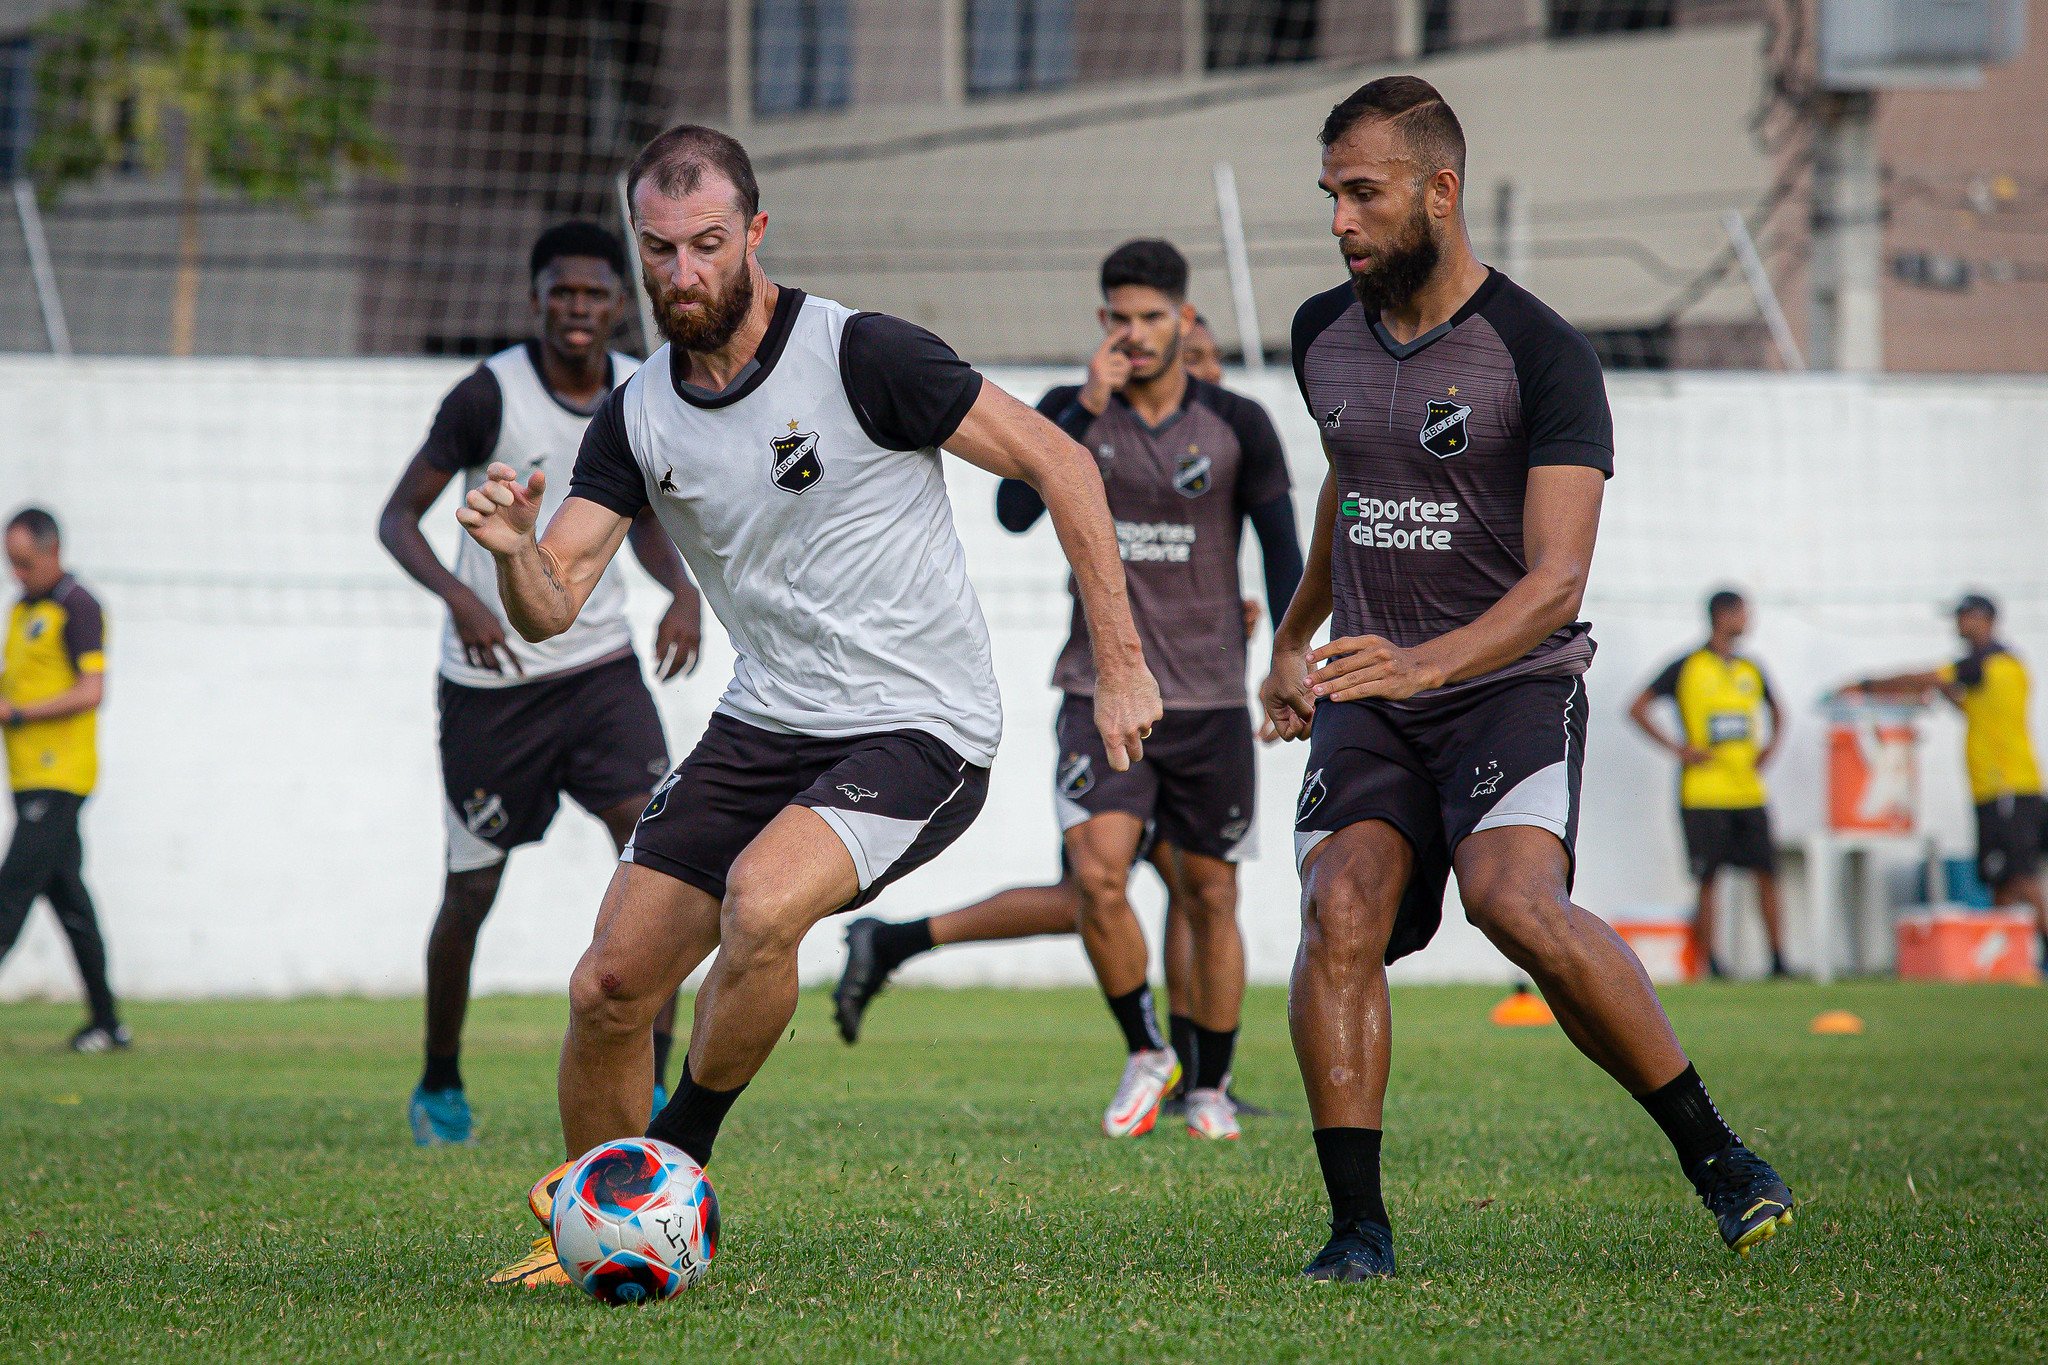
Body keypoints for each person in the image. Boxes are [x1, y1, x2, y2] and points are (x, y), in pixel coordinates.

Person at [471, 125, 1158, 1286]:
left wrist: (1122, 662)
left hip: (919, 723)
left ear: (753, 233)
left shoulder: (860, 356)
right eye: (660, 251)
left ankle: (671, 1169)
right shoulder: (638, 413)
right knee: (607, 987)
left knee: (761, 902)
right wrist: (507, 553)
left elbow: (1061, 462)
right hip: (764, 722)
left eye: (704, 244)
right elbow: (553, 604)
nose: (681, 274)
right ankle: (592, 1235)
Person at [1262, 76, 1794, 1281]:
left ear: (1437, 193)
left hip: (1508, 682)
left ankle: (1716, 1158)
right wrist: (1294, 641)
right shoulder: (1317, 334)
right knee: (1335, 906)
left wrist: (1420, 664)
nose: (1339, 220)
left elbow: (1555, 583)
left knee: (1516, 906)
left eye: (1363, 193)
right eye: (1328, 196)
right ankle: (1357, 1231)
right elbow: (1353, 487)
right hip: (1372, 689)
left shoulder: (1542, 354)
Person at [832, 242, 1302, 1140]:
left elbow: (1282, 549)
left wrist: (1286, 655)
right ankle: (1145, 1048)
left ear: (1185, 321)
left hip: (1207, 699)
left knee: (1209, 895)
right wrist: (1084, 405)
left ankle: (1210, 1085)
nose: (1133, 334)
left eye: (1150, 318)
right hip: (1098, 691)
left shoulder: (1239, 422)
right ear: (1102, 323)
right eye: (1118, 318)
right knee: (1095, 875)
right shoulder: (1067, 413)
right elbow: (1012, 514)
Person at [376, 221, 703, 1147]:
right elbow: (398, 519)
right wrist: (462, 601)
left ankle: (646, 1096)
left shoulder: (641, 388)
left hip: (600, 673)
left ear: (616, 302)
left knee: (662, 866)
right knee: (471, 889)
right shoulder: (488, 395)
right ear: (536, 301)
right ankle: (440, 1077)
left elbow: (633, 517)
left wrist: (682, 591)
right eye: (562, 293)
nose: (579, 309)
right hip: (494, 685)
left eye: (596, 294)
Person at [1846, 593, 2048, 967]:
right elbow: (1966, 703)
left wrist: (1870, 685)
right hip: (1992, 788)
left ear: (1985, 619)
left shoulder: (1989, 662)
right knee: (1998, 881)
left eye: (1963, 617)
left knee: (2022, 877)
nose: (1958, 625)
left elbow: (1925, 675)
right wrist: (1941, 695)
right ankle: (2004, 961)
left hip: (2010, 787)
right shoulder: (1995, 668)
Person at [0, 508, 125, 1052]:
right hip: (28, 779)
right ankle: (107, 1025)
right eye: (11, 564)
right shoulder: (22, 610)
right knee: (71, 903)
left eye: (25, 563)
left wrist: (20, 715)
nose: (17, 574)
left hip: (61, 779)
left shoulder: (79, 606)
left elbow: (91, 690)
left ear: (53, 551)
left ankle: (107, 1023)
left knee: (10, 892)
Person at [1628, 589, 1789, 978]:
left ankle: (1779, 962)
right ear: (1722, 614)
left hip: (1748, 791)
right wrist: (1678, 749)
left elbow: (1778, 712)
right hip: (1702, 793)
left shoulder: (1752, 668)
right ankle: (1711, 964)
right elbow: (1637, 708)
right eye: (1742, 612)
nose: (1747, 620)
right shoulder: (1688, 665)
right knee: (1708, 879)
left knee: (1766, 873)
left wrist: (1769, 749)